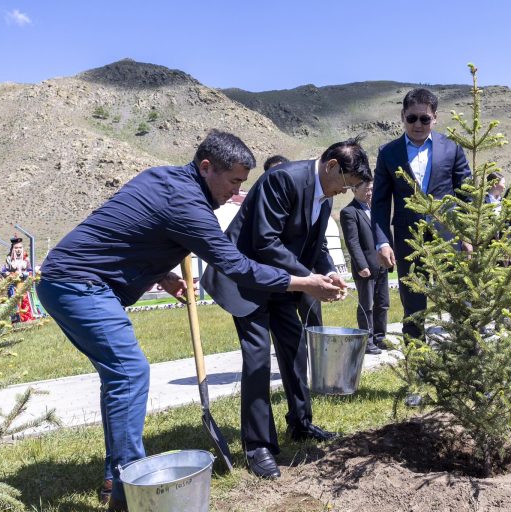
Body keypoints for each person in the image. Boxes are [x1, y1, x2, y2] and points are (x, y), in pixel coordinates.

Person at [37, 130, 341, 511]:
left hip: (67, 280)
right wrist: (303, 282)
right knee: (130, 373)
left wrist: (159, 274)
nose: (234, 194)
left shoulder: (160, 177)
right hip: (79, 285)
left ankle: (117, 474)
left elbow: (126, 229)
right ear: (206, 166)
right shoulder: (189, 205)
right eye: (232, 182)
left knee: (119, 376)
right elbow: (236, 265)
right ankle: (128, 490)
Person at [202, 136, 371, 479]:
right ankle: (258, 446)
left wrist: (327, 274)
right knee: (258, 357)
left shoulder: (323, 202)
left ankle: (301, 423)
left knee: (295, 350)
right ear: (332, 166)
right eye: (346, 184)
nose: (344, 192)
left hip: (281, 284)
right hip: (245, 281)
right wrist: (308, 278)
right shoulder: (283, 179)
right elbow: (265, 241)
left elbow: (314, 245)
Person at [371, 88, 472, 340]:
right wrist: (383, 242)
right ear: (402, 116)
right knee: (413, 305)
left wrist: (467, 235)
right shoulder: (388, 153)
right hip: (408, 240)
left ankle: (467, 354)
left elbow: (467, 196)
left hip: (449, 239)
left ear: (435, 118)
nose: (418, 124)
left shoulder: (452, 149)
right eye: (412, 118)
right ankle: (416, 362)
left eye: (424, 119)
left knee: (460, 299)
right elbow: (380, 203)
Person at [264, 154, 323, 328]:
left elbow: (320, 243)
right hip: (278, 276)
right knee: (284, 324)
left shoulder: (310, 199)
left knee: (312, 317)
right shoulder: (266, 205)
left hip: (305, 270)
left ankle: (315, 350)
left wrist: (327, 272)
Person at [340, 179, 390, 355]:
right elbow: (352, 242)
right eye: (366, 189)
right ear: (354, 189)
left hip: (382, 264)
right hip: (366, 267)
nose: (370, 192)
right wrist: (361, 265)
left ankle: (380, 337)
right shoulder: (349, 212)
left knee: (383, 303)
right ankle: (367, 341)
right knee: (366, 306)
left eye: (372, 189)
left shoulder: (376, 209)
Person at [4, 236, 35, 323]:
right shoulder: (9, 260)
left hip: (23, 284)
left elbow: (30, 271)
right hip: (13, 285)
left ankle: (26, 319)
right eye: (16, 248)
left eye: (20, 248)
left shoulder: (26, 260)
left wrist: (23, 274)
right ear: (13, 249)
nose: (18, 250)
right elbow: (3, 271)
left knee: (24, 301)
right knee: (14, 302)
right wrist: (10, 274)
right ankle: (15, 320)